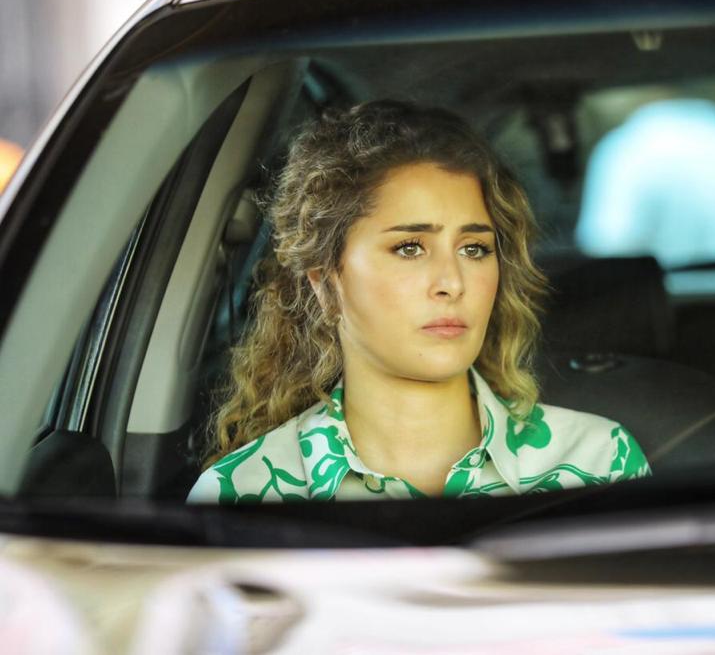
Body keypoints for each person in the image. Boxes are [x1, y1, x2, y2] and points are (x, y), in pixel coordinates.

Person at [188, 101, 651, 503]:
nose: (452, 283)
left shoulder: (598, 463)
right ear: (325, 284)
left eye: (475, 249)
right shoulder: (240, 493)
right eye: (410, 247)